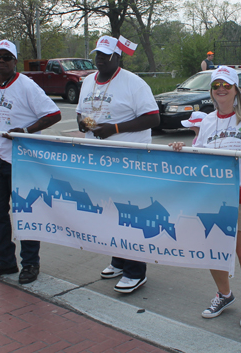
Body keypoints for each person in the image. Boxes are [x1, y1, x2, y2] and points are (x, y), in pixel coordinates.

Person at [170, 66, 241, 328]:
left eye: (226, 85)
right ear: (212, 90)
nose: (221, 89)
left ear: (235, 89)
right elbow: (200, 157)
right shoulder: (208, 121)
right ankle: (224, 295)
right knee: (214, 252)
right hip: (216, 196)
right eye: (216, 85)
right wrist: (180, 149)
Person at [76, 35, 160, 294]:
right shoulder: (89, 80)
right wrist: (88, 125)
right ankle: (119, 260)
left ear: (117, 57)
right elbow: (81, 113)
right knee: (108, 211)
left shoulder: (134, 83)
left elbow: (153, 118)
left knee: (130, 213)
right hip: (98, 160)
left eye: (105, 55)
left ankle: (136, 271)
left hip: (128, 160)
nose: (99, 59)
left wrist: (113, 128)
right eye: (97, 54)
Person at [0, 40, 62, 284]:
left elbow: (54, 114)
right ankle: (5, 261)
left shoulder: (26, 86)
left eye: (6, 57)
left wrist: (25, 130)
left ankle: (30, 263)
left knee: (26, 212)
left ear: (15, 60)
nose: (1, 61)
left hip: (21, 159)